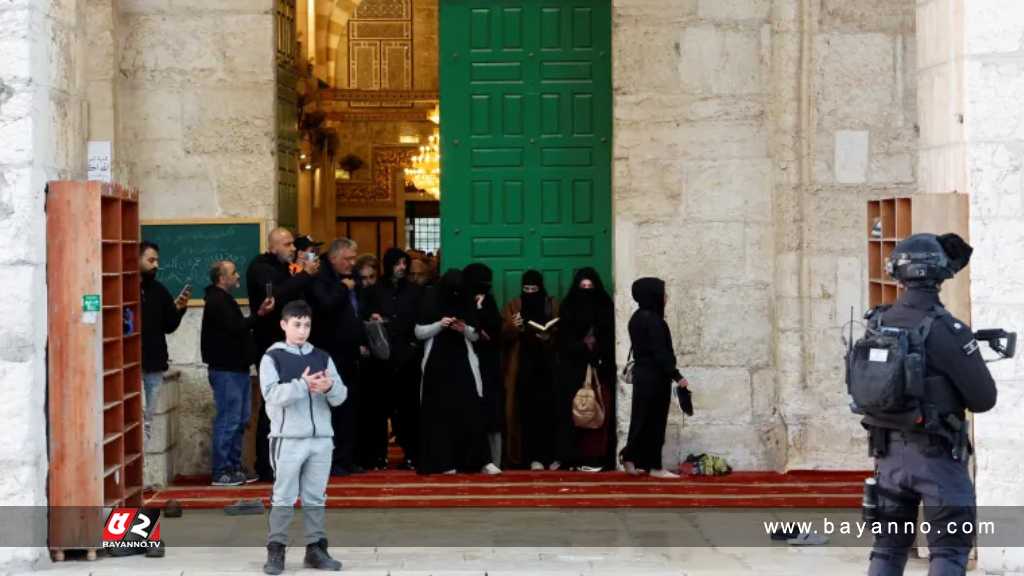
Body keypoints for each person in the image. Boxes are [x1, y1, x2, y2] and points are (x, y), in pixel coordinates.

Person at [852, 233, 996, 576]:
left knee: (887, 550)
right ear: (941, 273)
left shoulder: (878, 322)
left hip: (886, 458)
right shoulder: (948, 330)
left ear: (897, 274)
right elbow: (984, 399)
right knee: (948, 550)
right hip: (936, 459)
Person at [259, 300, 347, 575]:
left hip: (321, 438)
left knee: (315, 496)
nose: (302, 330)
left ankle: (316, 549)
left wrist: (329, 385)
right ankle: (276, 550)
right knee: (283, 495)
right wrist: (302, 385)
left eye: (307, 325)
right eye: (296, 324)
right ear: (284, 325)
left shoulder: (322, 357)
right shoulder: (272, 357)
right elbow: (271, 395)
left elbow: (341, 395)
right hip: (288, 438)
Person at [248, 227, 320, 480]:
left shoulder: (285, 267)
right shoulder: (261, 267)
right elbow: (276, 295)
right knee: (275, 406)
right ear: (273, 246)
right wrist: (304, 275)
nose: (292, 249)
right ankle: (266, 466)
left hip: (290, 346)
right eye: (288, 244)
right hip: (270, 347)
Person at [415, 269, 498, 475]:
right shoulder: (430, 300)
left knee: (471, 410)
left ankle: (480, 461)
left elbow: (476, 335)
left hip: (463, 363)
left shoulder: (466, 301)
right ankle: (444, 463)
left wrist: (463, 329)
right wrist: (439, 325)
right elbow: (419, 332)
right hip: (437, 365)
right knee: (439, 416)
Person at [200, 260, 275, 486]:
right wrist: (259, 314)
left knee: (240, 419)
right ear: (222, 278)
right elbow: (236, 327)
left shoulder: (225, 299)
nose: (238, 277)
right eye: (233, 273)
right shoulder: (216, 300)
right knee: (229, 420)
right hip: (226, 370)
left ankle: (233, 466)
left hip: (237, 368)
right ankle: (221, 470)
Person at [309, 238, 367, 476]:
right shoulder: (321, 277)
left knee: (349, 406)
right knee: (331, 407)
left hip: (351, 352)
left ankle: (346, 457)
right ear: (333, 258)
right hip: (330, 352)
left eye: (354, 259)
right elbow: (325, 304)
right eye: (347, 259)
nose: (352, 264)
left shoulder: (351, 279)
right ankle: (331, 461)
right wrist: (344, 288)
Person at [620, 277, 689, 479]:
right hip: (655, 377)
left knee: (642, 419)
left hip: (643, 375)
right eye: (662, 293)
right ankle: (654, 466)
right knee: (655, 422)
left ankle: (631, 457)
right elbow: (661, 353)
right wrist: (677, 376)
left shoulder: (637, 317)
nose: (666, 297)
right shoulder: (655, 321)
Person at [364, 248, 423, 469]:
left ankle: (411, 454)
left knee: (408, 409)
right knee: (379, 410)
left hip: (408, 358)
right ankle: (379, 456)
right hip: (382, 359)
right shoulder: (375, 290)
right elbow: (366, 315)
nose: (402, 267)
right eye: (397, 263)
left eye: (403, 263)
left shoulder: (415, 291)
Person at [556, 267, 617, 471]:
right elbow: (563, 340)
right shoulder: (568, 307)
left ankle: (597, 459)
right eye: (582, 287)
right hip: (572, 370)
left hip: (600, 370)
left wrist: (596, 347)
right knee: (573, 413)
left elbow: (610, 338)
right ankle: (570, 457)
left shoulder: (606, 306)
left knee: (598, 412)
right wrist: (582, 346)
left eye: (590, 287)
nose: (586, 291)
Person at [501, 270, 561, 470]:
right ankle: (529, 457)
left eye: (534, 289)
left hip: (547, 366)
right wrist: (513, 326)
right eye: (526, 289)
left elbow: (560, 330)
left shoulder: (551, 303)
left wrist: (549, 337)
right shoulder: (514, 305)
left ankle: (549, 455)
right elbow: (503, 333)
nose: (529, 293)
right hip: (523, 366)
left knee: (549, 412)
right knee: (525, 413)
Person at [140, 241, 190, 441]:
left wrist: (180, 309)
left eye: (157, 261)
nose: (155, 265)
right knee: (134, 417)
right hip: (131, 364)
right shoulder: (123, 287)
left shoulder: (159, 289)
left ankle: (143, 457)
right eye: (150, 260)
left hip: (154, 363)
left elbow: (170, 325)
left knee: (147, 418)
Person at [463, 263, 504, 468]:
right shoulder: (461, 301)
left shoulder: (489, 302)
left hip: (488, 365)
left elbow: (494, 331)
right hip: (467, 363)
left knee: (491, 412)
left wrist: (481, 310)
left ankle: (493, 460)